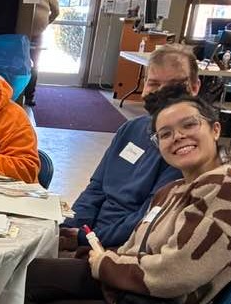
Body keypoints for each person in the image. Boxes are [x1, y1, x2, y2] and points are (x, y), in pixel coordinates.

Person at [25, 88, 231, 304]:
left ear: (215, 129)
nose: (177, 136)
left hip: (152, 297)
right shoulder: (172, 190)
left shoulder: (227, 185)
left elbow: (175, 273)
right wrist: (97, 256)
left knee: (24, 285)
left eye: (189, 125)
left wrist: (104, 263)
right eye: (165, 134)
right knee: (24, 274)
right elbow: (133, 247)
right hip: (128, 287)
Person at [59, 45, 195, 253]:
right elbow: (96, 188)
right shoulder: (131, 129)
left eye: (174, 85)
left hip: (125, 250)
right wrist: (70, 227)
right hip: (91, 237)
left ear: (194, 87)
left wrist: (84, 238)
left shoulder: (186, 150)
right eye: (154, 83)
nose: (162, 92)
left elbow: (147, 220)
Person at [23, 0, 59, 107]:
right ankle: (20, 94)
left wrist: (44, 24)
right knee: (22, 64)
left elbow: (56, 12)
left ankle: (28, 96)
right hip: (20, 31)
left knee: (33, 65)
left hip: (35, 34)